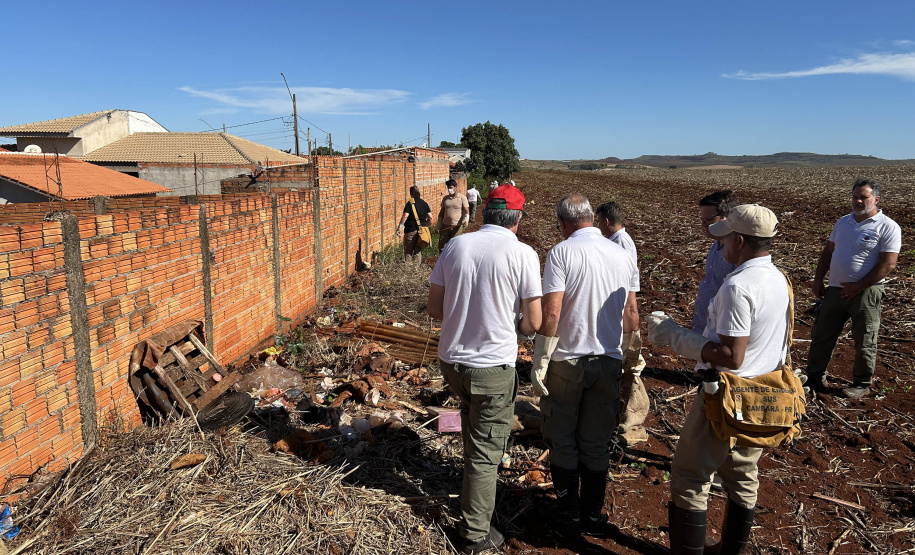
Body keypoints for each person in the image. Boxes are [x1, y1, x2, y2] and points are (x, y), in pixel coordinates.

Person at [646, 204, 788, 555]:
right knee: (742, 476)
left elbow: (731, 355)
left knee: (690, 476)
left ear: (739, 241)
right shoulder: (779, 279)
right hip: (763, 396)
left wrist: (674, 336)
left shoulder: (737, 287)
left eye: (725, 238)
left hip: (726, 397)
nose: (721, 245)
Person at [428, 184, 542, 555]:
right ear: (517, 219)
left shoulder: (456, 246)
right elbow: (533, 322)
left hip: (452, 363)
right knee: (484, 455)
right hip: (491, 368)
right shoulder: (523, 255)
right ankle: (475, 536)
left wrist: (466, 317)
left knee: (471, 423)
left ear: (483, 213)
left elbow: (434, 309)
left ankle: (471, 497)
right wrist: (516, 327)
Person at [530, 193, 639, 538]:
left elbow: (552, 313)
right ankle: (593, 514)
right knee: (595, 440)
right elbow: (632, 314)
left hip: (568, 360)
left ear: (563, 222)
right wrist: (631, 359)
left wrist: (540, 360)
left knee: (562, 435)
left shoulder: (562, 252)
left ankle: (568, 512)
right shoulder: (623, 254)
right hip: (609, 359)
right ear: (592, 217)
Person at [804, 177, 901, 398]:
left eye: (863, 197)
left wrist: (859, 286)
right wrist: (819, 281)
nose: (858, 201)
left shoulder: (888, 227)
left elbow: (888, 264)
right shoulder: (843, 223)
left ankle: (861, 383)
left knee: (865, 339)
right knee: (822, 335)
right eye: (855, 197)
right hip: (834, 290)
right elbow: (828, 253)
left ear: (876, 199)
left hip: (867, 293)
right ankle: (814, 377)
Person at [595, 201, 648, 445]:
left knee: (624, 364)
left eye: (599, 221)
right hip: (621, 306)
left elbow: (627, 287)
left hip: (622, 306)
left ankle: (623, 413)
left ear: (606, 221)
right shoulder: (618, 241)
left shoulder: (620, 243)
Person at [693, 191, 739, 333]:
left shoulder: (736, 252)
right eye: (702, 220)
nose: (703, 225)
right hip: (703, 325)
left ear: (727, 218)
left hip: (720, 331)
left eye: (708, 220)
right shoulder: (716, 245)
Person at [395, 185, 432, 266]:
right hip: (421, 231)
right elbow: (430, 217)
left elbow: (405, 216)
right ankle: (416, 270)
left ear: (411, 194)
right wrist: (428, 224)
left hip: (410, 231)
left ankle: (409, 271)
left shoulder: (409, 204)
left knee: (408, 251)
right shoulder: (424, 203)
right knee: (417, 251)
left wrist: (399, 228)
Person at [436, 178, 469, 253]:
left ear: (456, 187)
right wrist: (438, 225)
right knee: (442, 247)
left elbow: (467, 210)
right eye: (448, 188)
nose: (449, 190)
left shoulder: (462, 198)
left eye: (451, 188)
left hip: (456, 227)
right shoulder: (445, 199)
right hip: (445, 226)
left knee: (454, 247)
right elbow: (441, 213)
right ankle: (443, 263)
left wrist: (466, 219)